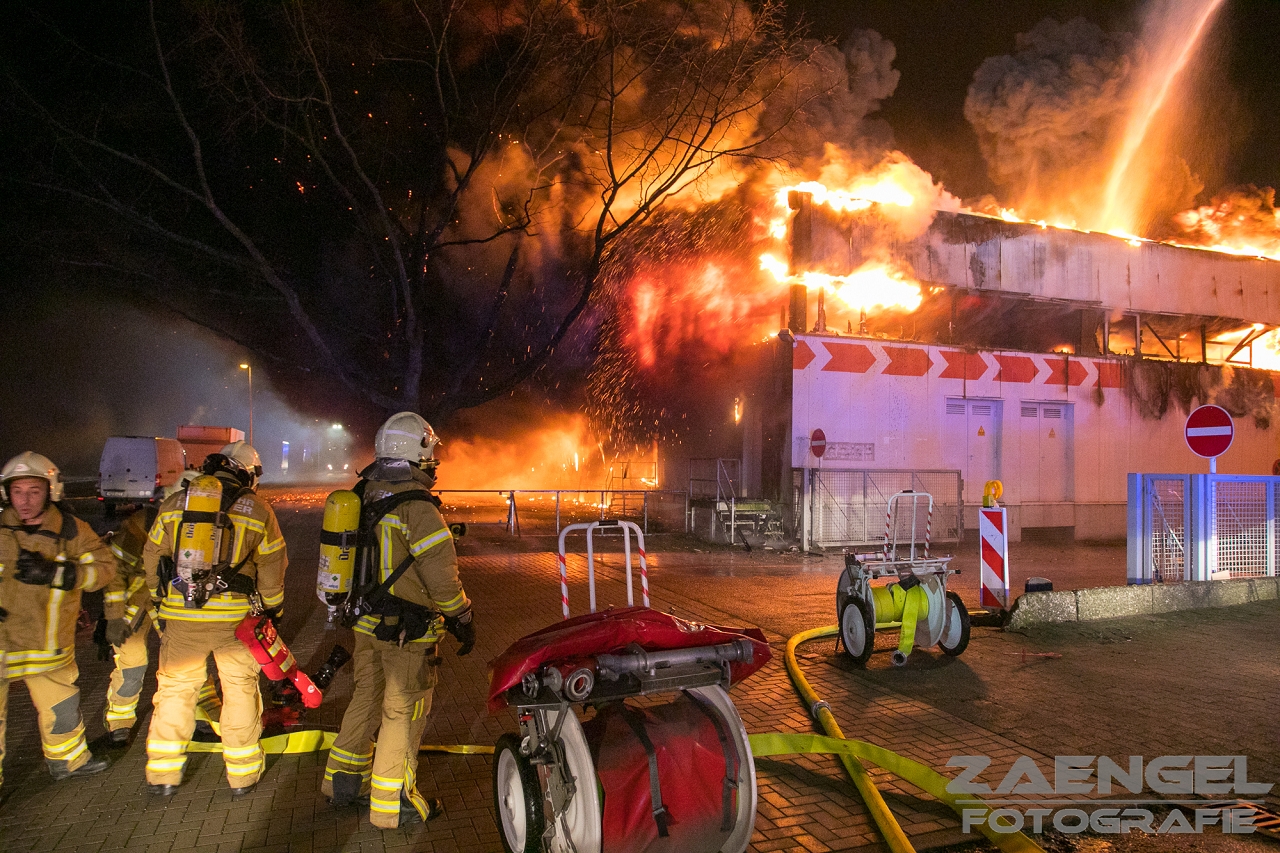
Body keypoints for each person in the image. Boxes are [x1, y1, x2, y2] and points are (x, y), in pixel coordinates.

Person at [321, 412, 475, 829]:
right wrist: (462, 614)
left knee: (365, 697)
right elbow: (441, 575)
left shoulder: (366, 492)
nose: (435, 462)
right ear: (416, 453)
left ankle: (342, 782)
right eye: (431, 453)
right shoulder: (418, 508)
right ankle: (394, 804)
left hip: (366, 623)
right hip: (406, 631)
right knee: (401, 711)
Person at [141, 442, 286, 796]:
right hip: (235, 622)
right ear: (247, 474)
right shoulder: (257, 509)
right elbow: (272, 565)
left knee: (175, 692)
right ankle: (243, 776)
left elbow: (152, 556)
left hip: (182, 616)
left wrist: (160, 600)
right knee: (239, 692)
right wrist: (272, 609)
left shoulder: (177, 501)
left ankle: (163, 775)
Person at [0, 451, 116, 786]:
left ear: (51, 490)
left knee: (61, 707)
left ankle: (69, 760)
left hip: (46, 642)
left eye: (33, 491)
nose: (24, 500)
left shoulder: (72, 530)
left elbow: (105, 570)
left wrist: (60, 573)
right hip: (2, 643)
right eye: (17, 491)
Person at [100, 471, 222, 745]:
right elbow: (115, 572)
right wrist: (114, 617)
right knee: (132, 665)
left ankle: (202, 716)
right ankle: (120, 721)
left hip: (173, 605)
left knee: (191, 662)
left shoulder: (207, 527)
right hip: (135, 606)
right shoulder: (139, 526)